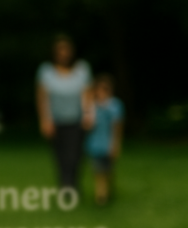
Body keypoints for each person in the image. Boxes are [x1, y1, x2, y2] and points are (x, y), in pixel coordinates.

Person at [36, 35, 94, 189]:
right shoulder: (46, 71)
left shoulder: (82, 70)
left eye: (66, 50)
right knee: (60, 158)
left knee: (75, 157)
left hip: (77, 121)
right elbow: (42, 98)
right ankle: (65, 187)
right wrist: (44, 121)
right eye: (60, 51)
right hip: (56, 122)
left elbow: (88, 95)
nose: (64, 54)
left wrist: (89, 115)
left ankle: (73, 185)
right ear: (55, 53)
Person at [85, 74, 124, 205]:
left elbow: (117, 127)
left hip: (108, 144)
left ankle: (108, 190)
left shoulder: (115, 106)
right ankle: (101, 195)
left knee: (108, 170)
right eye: (98, 89)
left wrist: (116, 145)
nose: (101, 92)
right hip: (95, 144)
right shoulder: (92, 107)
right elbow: (87, 125)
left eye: (104, 89)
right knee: (98, 171)